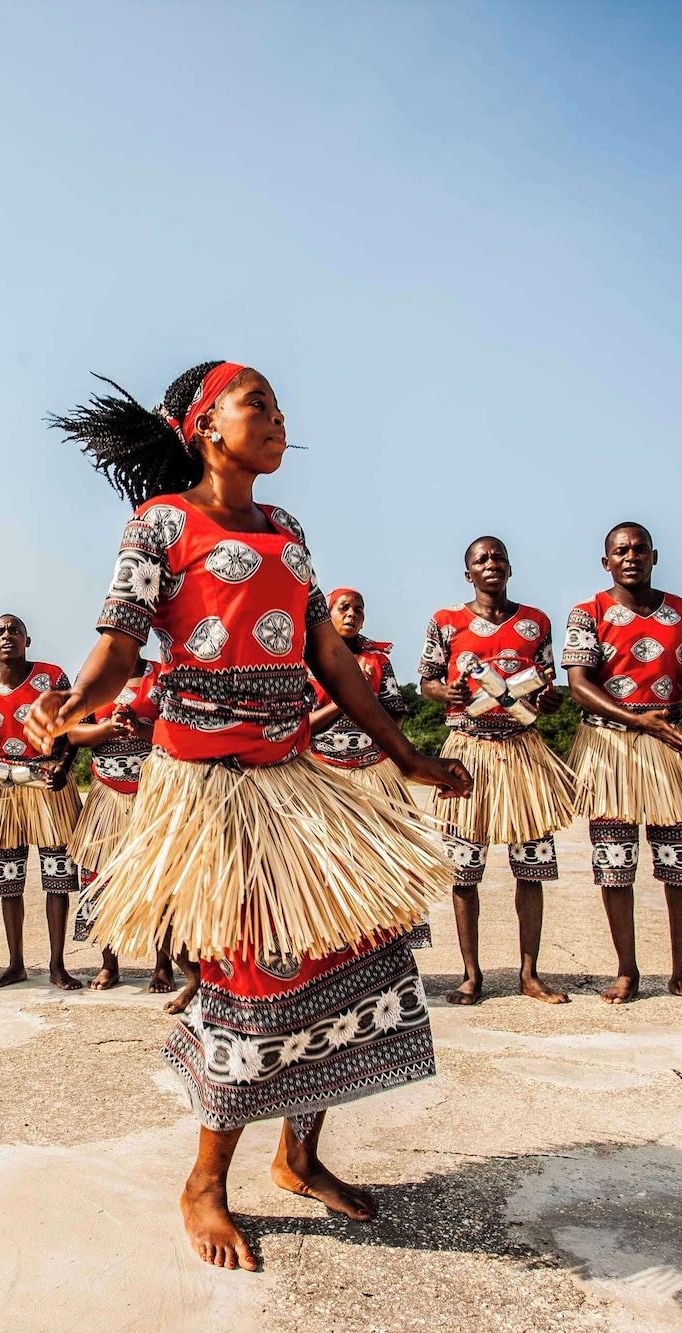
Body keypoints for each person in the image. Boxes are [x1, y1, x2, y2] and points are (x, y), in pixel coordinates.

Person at [35, 360, 471, 1272]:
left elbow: (328, 655)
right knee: (253, 978)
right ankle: (204, 1183)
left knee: (347, 953)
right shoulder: (161, 522)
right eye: (257, 404)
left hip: (295, 779)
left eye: (277, 405)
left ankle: (298, 1156)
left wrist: (407, 756)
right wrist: (70, 703)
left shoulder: (286, 527)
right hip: (210, 789)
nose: (277, 419)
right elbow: (121, 643)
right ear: (206, 426)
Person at [563, 524, 682, 1006]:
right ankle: (627, 971)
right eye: (620, 551)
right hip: (609, 749)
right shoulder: (588, 612)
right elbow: (579, 684)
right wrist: (638, 721)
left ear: (654, 556)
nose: (630, 556)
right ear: (606, 562)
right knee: (615, 865)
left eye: (639, 549)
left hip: (670, 747)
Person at [420, 537, 580, 1006]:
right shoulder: (445, 621)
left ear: (510, 568)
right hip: (467, 754)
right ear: (467, 573)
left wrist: (549, 700)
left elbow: (545, 685)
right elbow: (426, 680)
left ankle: (530, 974)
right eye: (481, 559)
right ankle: (471, 975)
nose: (491, 563)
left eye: (498, 557)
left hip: (523, 753)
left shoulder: (536, 622)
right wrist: (444, 693)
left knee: (530, 867)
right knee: (464, 872)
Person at [0, 615, 83, 990]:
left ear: (27, 640)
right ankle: (15, 963)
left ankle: (57, 965)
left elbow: (72, 729)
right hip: (3, 786)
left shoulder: (52, 677)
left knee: (57, 879)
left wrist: (63, 767)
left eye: (15, 630)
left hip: (48, 783)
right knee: (8, 879)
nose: (7, 636)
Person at [308, 587, 429, 948]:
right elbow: (302, 725)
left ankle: (387, 944)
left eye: (358, 610)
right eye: (343, 608)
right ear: (327, 613)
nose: (352, 615)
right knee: (333, 864)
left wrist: (385, 743)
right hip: (326, 777)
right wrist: (348, 698)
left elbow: (394, 712)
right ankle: (339, 946)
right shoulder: (305, 662)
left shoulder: (377, 661)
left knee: (387, 862)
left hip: (376, 773)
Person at [63, 656, 179, 992]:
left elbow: (179, 731)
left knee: (159, 878)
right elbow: (73, 733)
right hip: (106, 793)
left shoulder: (163, 674)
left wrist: (139, 729)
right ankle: (109, 963)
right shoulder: (91, 677)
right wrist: (107, 728)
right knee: (101, 876)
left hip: (153, 792)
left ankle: (163, 965)